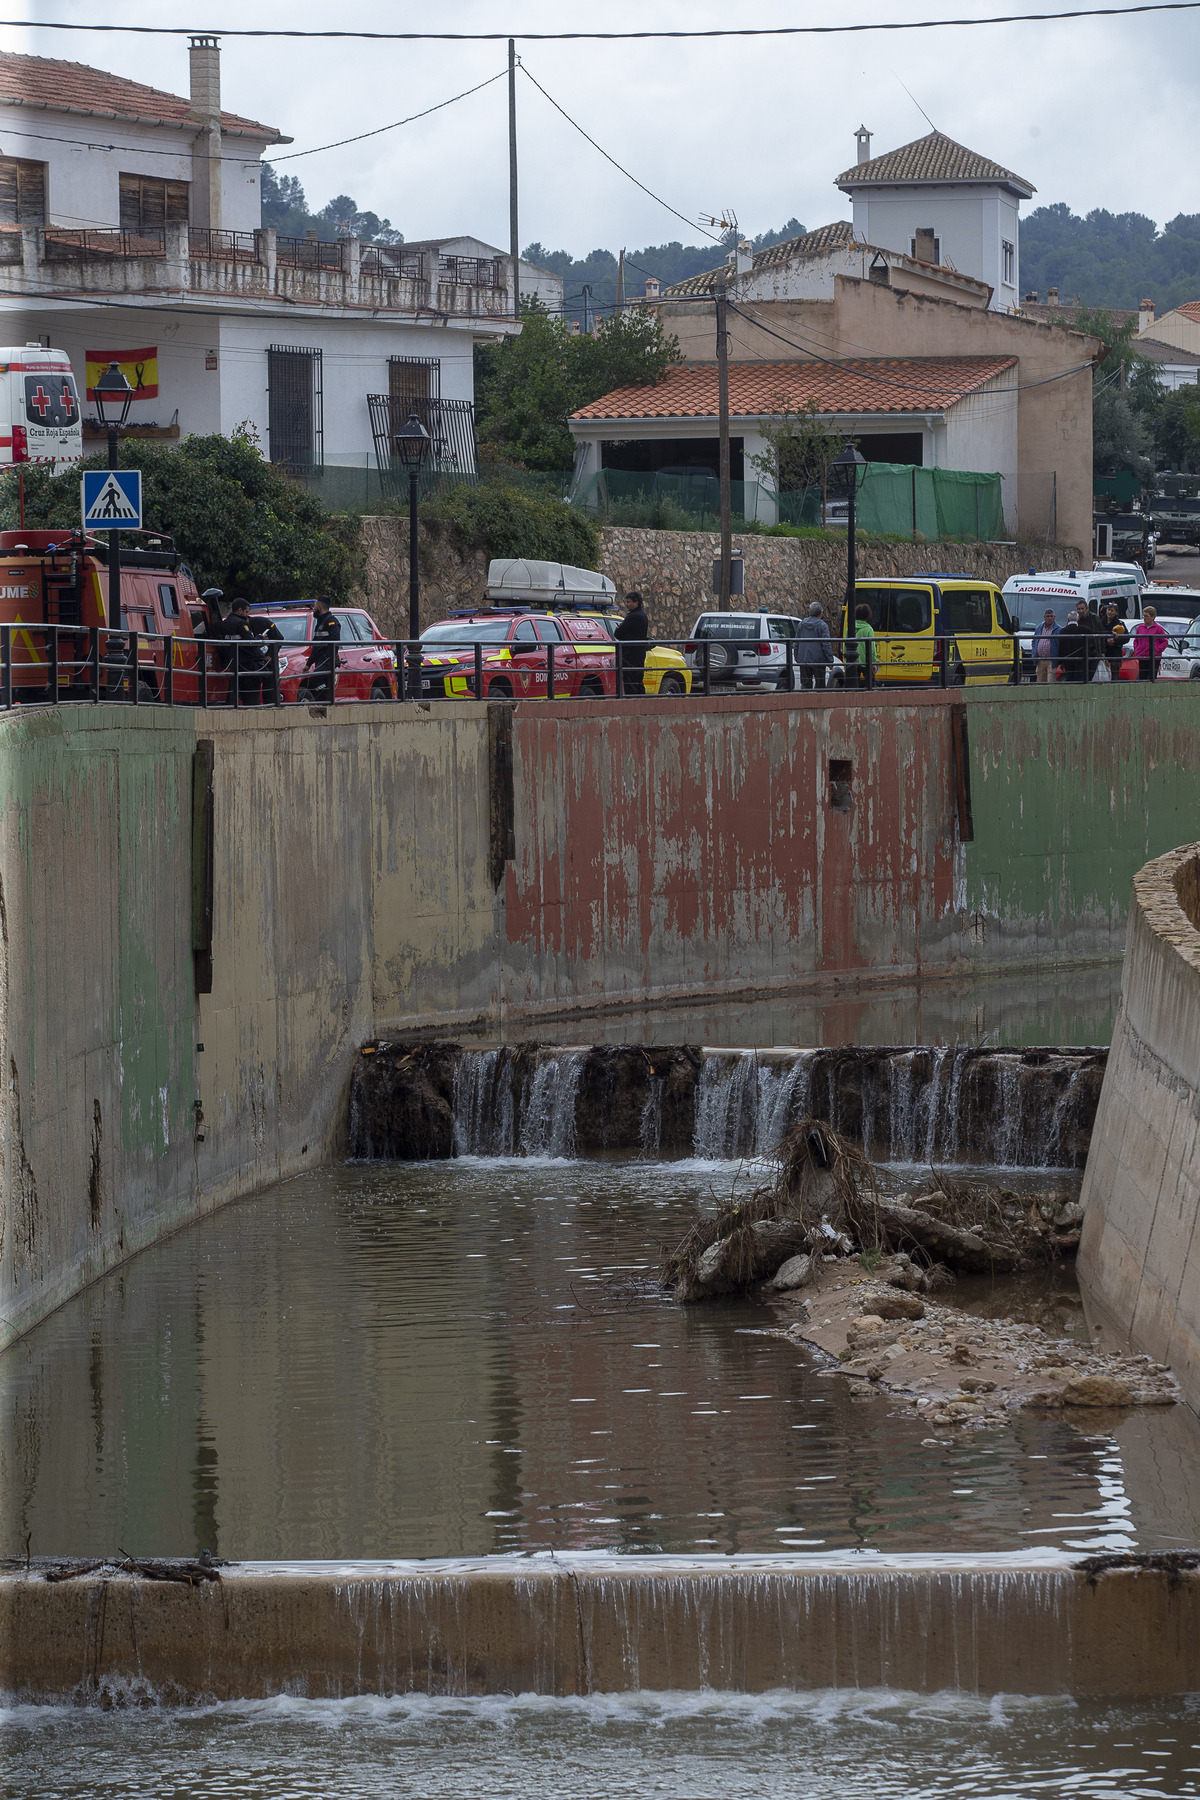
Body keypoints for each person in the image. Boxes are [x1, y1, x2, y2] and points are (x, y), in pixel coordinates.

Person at [224, 598, 272, 706]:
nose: (247, 615)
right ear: (240, 610)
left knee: (236, 695)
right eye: (246, 612)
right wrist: (260, 638)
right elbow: (250, 642)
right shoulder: (241, 623)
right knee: (252, 697)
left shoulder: (225, 623)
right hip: (250, 665)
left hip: (235, 664)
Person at [304, 596, 342, 702]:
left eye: (315, 606)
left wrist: (330, 657)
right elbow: (316, 646)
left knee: (316, 679)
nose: (313, 609)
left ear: (320, 607)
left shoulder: (331, 622)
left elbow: (335, 641)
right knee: (317, 681)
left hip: (327, 659)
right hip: (320, 660)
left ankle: (326, 701)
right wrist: (308, 664)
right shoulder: (320, 623)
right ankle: (324, 702)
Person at [614, 590, 649, 696]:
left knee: (631, 683)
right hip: (638, 654)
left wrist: (619, 628)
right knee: (638, 682)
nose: (627, 605)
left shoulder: (633, 616)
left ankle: (633, 706)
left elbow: (618, 633)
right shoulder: (642, 615)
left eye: (629, 602)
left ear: (636, 602)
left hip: (630, 655)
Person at [794, 601, 834, 689]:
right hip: (819, 660)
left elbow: (796, 642)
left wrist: (797, 656)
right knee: (820, 685)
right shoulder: (822, 625)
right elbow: (826, 644)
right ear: (820, 613)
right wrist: (830, 660)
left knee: (805, 684)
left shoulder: (801, 624)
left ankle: (805, 702)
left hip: (804, 658)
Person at [1133, 606, 1168, 682]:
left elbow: (1165, 642)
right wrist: (1137, 649)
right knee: (1142, 677)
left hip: (1154, 657)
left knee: (1152, 677)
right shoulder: (1140, 628)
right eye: (1143, 616)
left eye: (1146, 616)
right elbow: (1136, 640)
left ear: (1153, 617)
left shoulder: (1158, 628)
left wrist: (1156, 649)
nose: (1144, 618)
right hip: (1142, 656)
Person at [850, 601, 875, 688]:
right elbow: (872, 648)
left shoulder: (850, 627)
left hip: (852, 661)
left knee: (852, 685)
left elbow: (845, 643)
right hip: (866, 661)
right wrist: (873, 662)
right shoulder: (868, 629)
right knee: (870, 685)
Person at [1102, 603, 1129, 681]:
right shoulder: (1101, 622)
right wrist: (1106, 640)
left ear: (1116, 613)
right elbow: (1097, 634)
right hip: (1103, 654)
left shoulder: (1120, 624)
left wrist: (1115, 641)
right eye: (1109, 610)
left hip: (1115, 655)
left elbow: (1126, 638)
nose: (1110, 612)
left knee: (1114, 678)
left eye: (1112, 611)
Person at [1033, 608, 1060, 684]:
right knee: (1041, 684)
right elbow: (1034, 641)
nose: (1049, 618)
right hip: (1040, 660)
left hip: (1051, 661)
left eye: (1051, 616)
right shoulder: (1039, 628)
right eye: (1048, 616)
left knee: (1050, 682)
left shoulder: (1058, 630)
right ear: (1044, 617)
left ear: (1054, 617)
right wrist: (1034, 653)